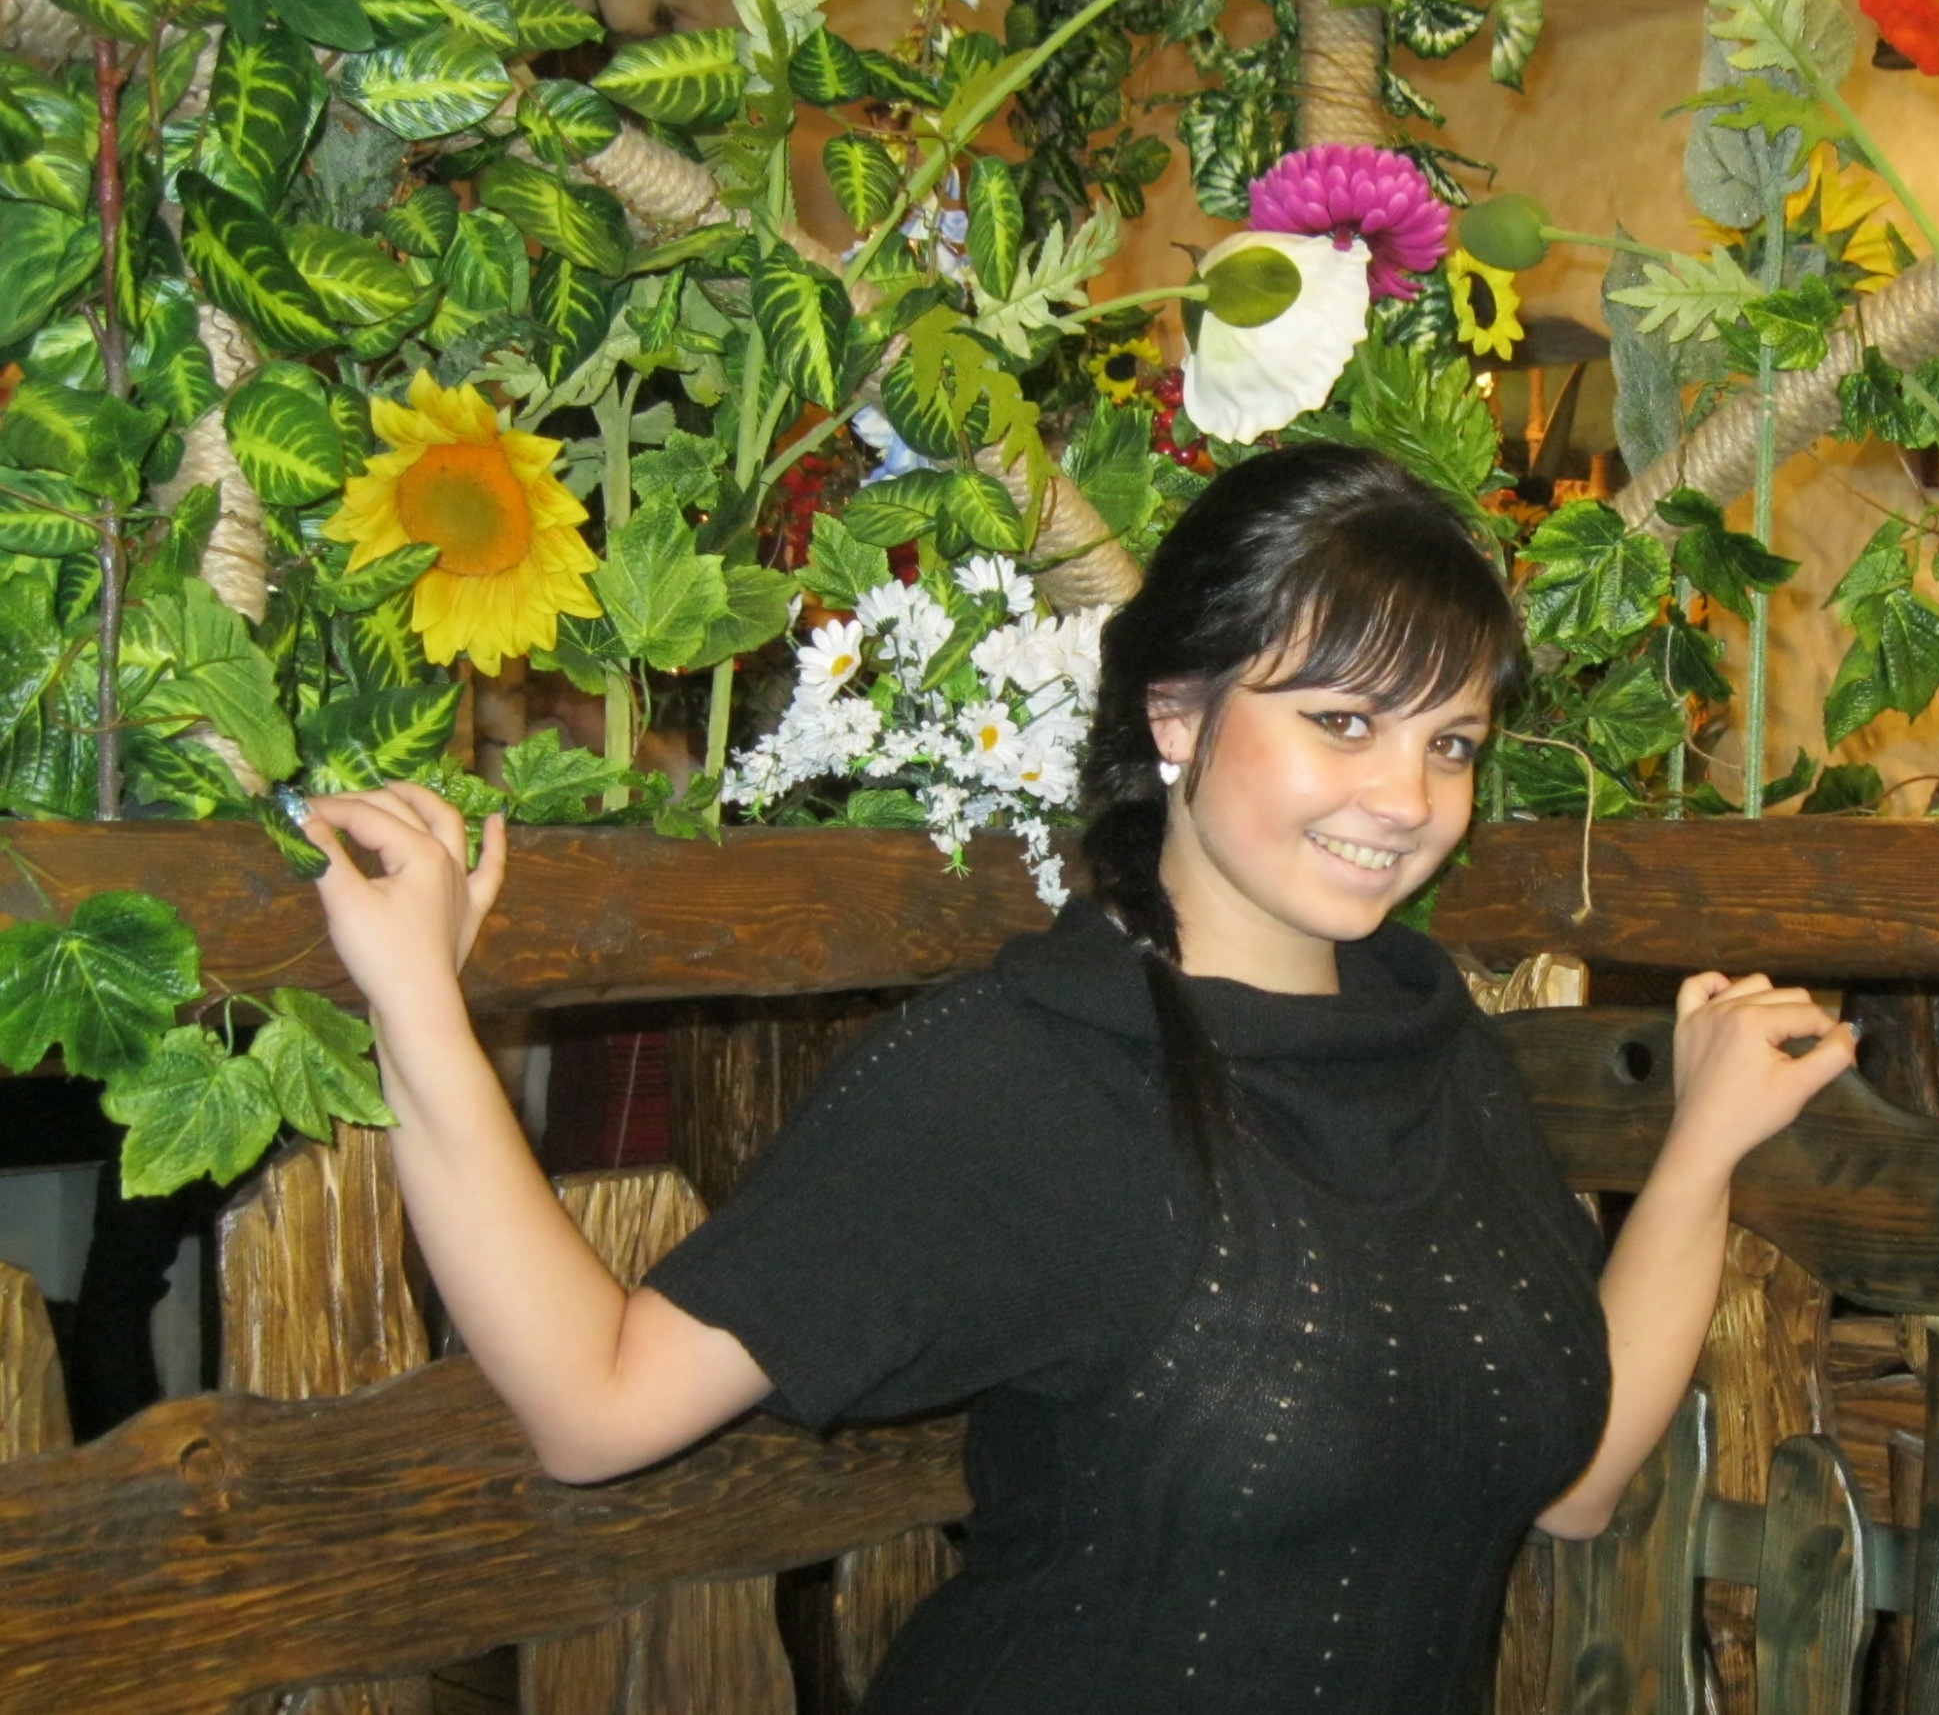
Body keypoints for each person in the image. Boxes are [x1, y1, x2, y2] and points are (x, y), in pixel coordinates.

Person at [301, 444, 1854, 1713]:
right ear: (1177, 714)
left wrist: (1703, 1150)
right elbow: (595, 1405)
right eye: (1343, 723)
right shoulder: (1029, 1071)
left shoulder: (1438, 1055)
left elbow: (1572, 1483)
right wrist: (420, 1001)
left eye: (1451, 742)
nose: (1407, 797)